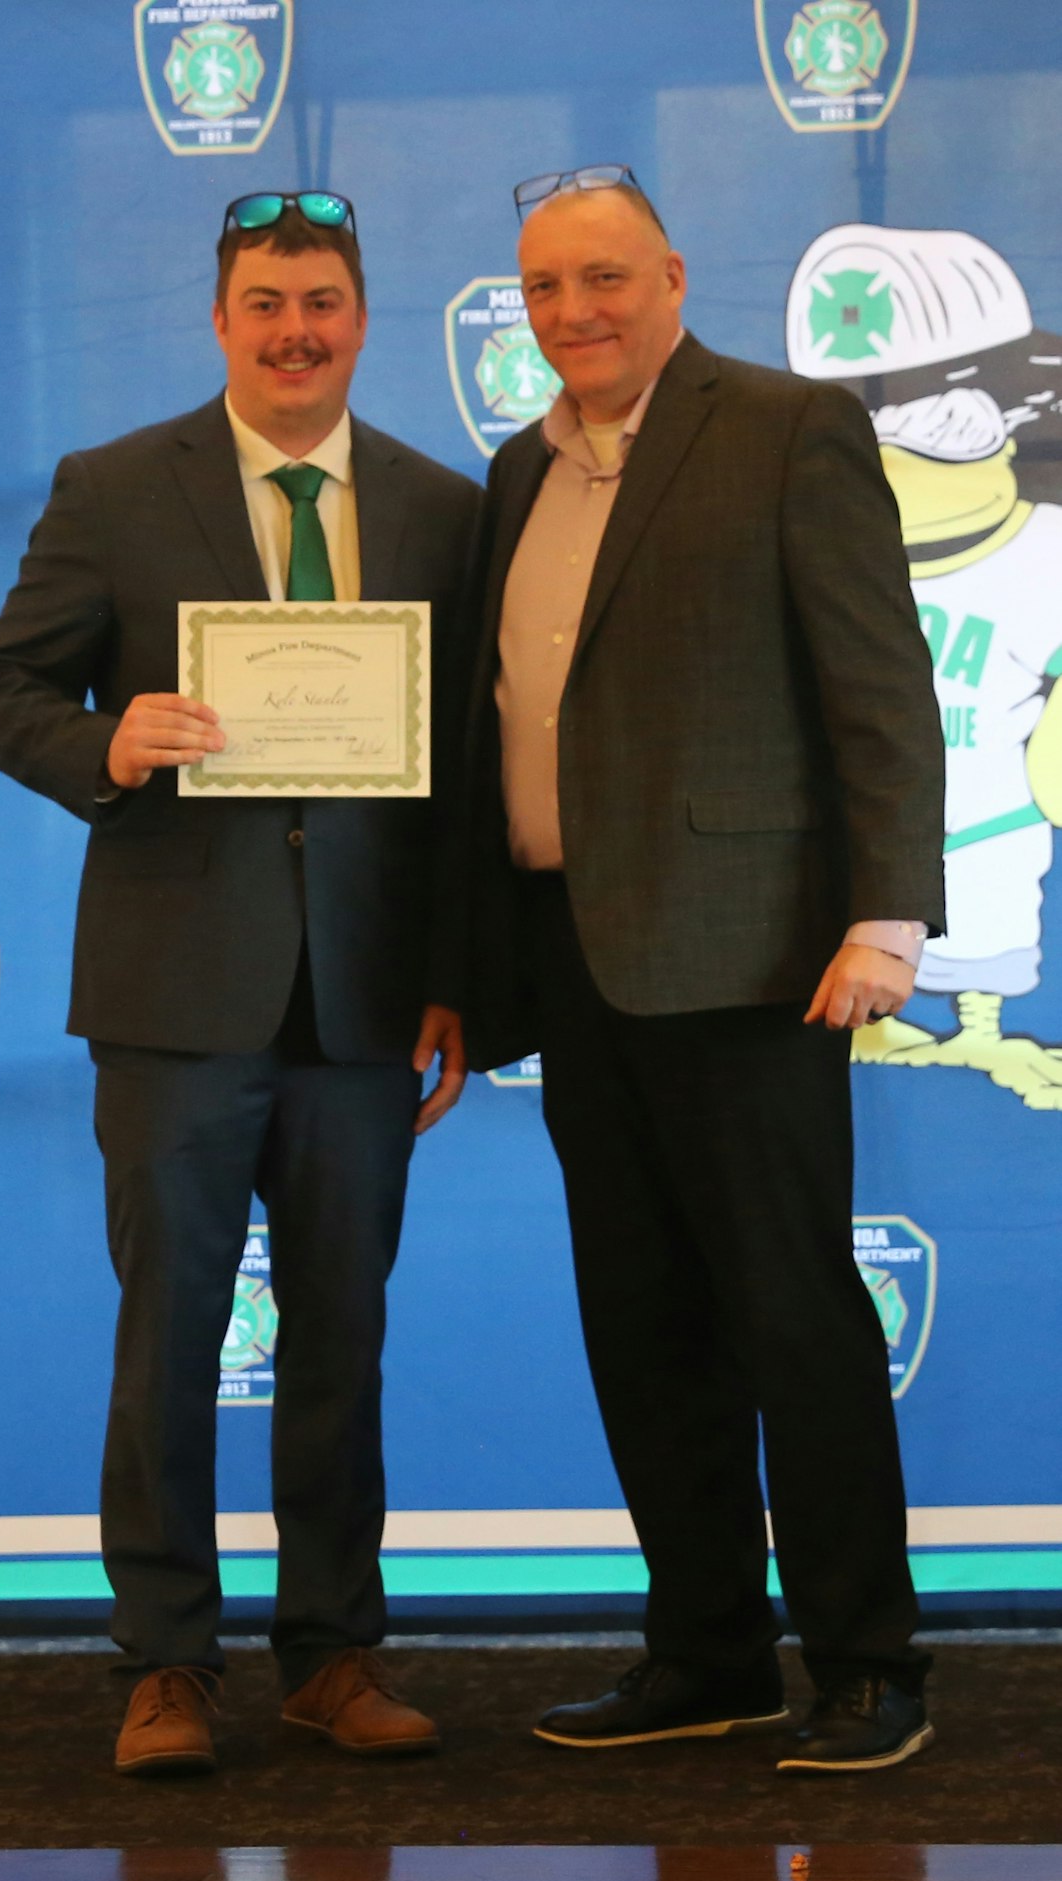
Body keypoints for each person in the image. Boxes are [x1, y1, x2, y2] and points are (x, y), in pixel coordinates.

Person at [0, 191, 478, 1774]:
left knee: (342, 1340)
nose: (294, 330)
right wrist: (102, 744)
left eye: (320, 300)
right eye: (264, 303)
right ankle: (165, 1666)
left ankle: (332, 1656)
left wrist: (458, 979)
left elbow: (464, 772)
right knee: (168, 1335)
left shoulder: (445, 508)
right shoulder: (114, 488)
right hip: (176, 994)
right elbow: (1, 691)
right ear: (219, 321)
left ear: (360, 319)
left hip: (367, 1005)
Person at [460, 167, 946, 1774]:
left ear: (669, 273)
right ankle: (708, 1652)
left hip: (755, 967)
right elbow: (499, 739)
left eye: (601, 277)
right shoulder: (510, 475)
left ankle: (867, 1667)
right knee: (642, 1325)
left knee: (793, 1320)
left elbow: (876, 683)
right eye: (542, 288)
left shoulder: (786, 428)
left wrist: (884, 916)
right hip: (573, 965)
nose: (574, 313)